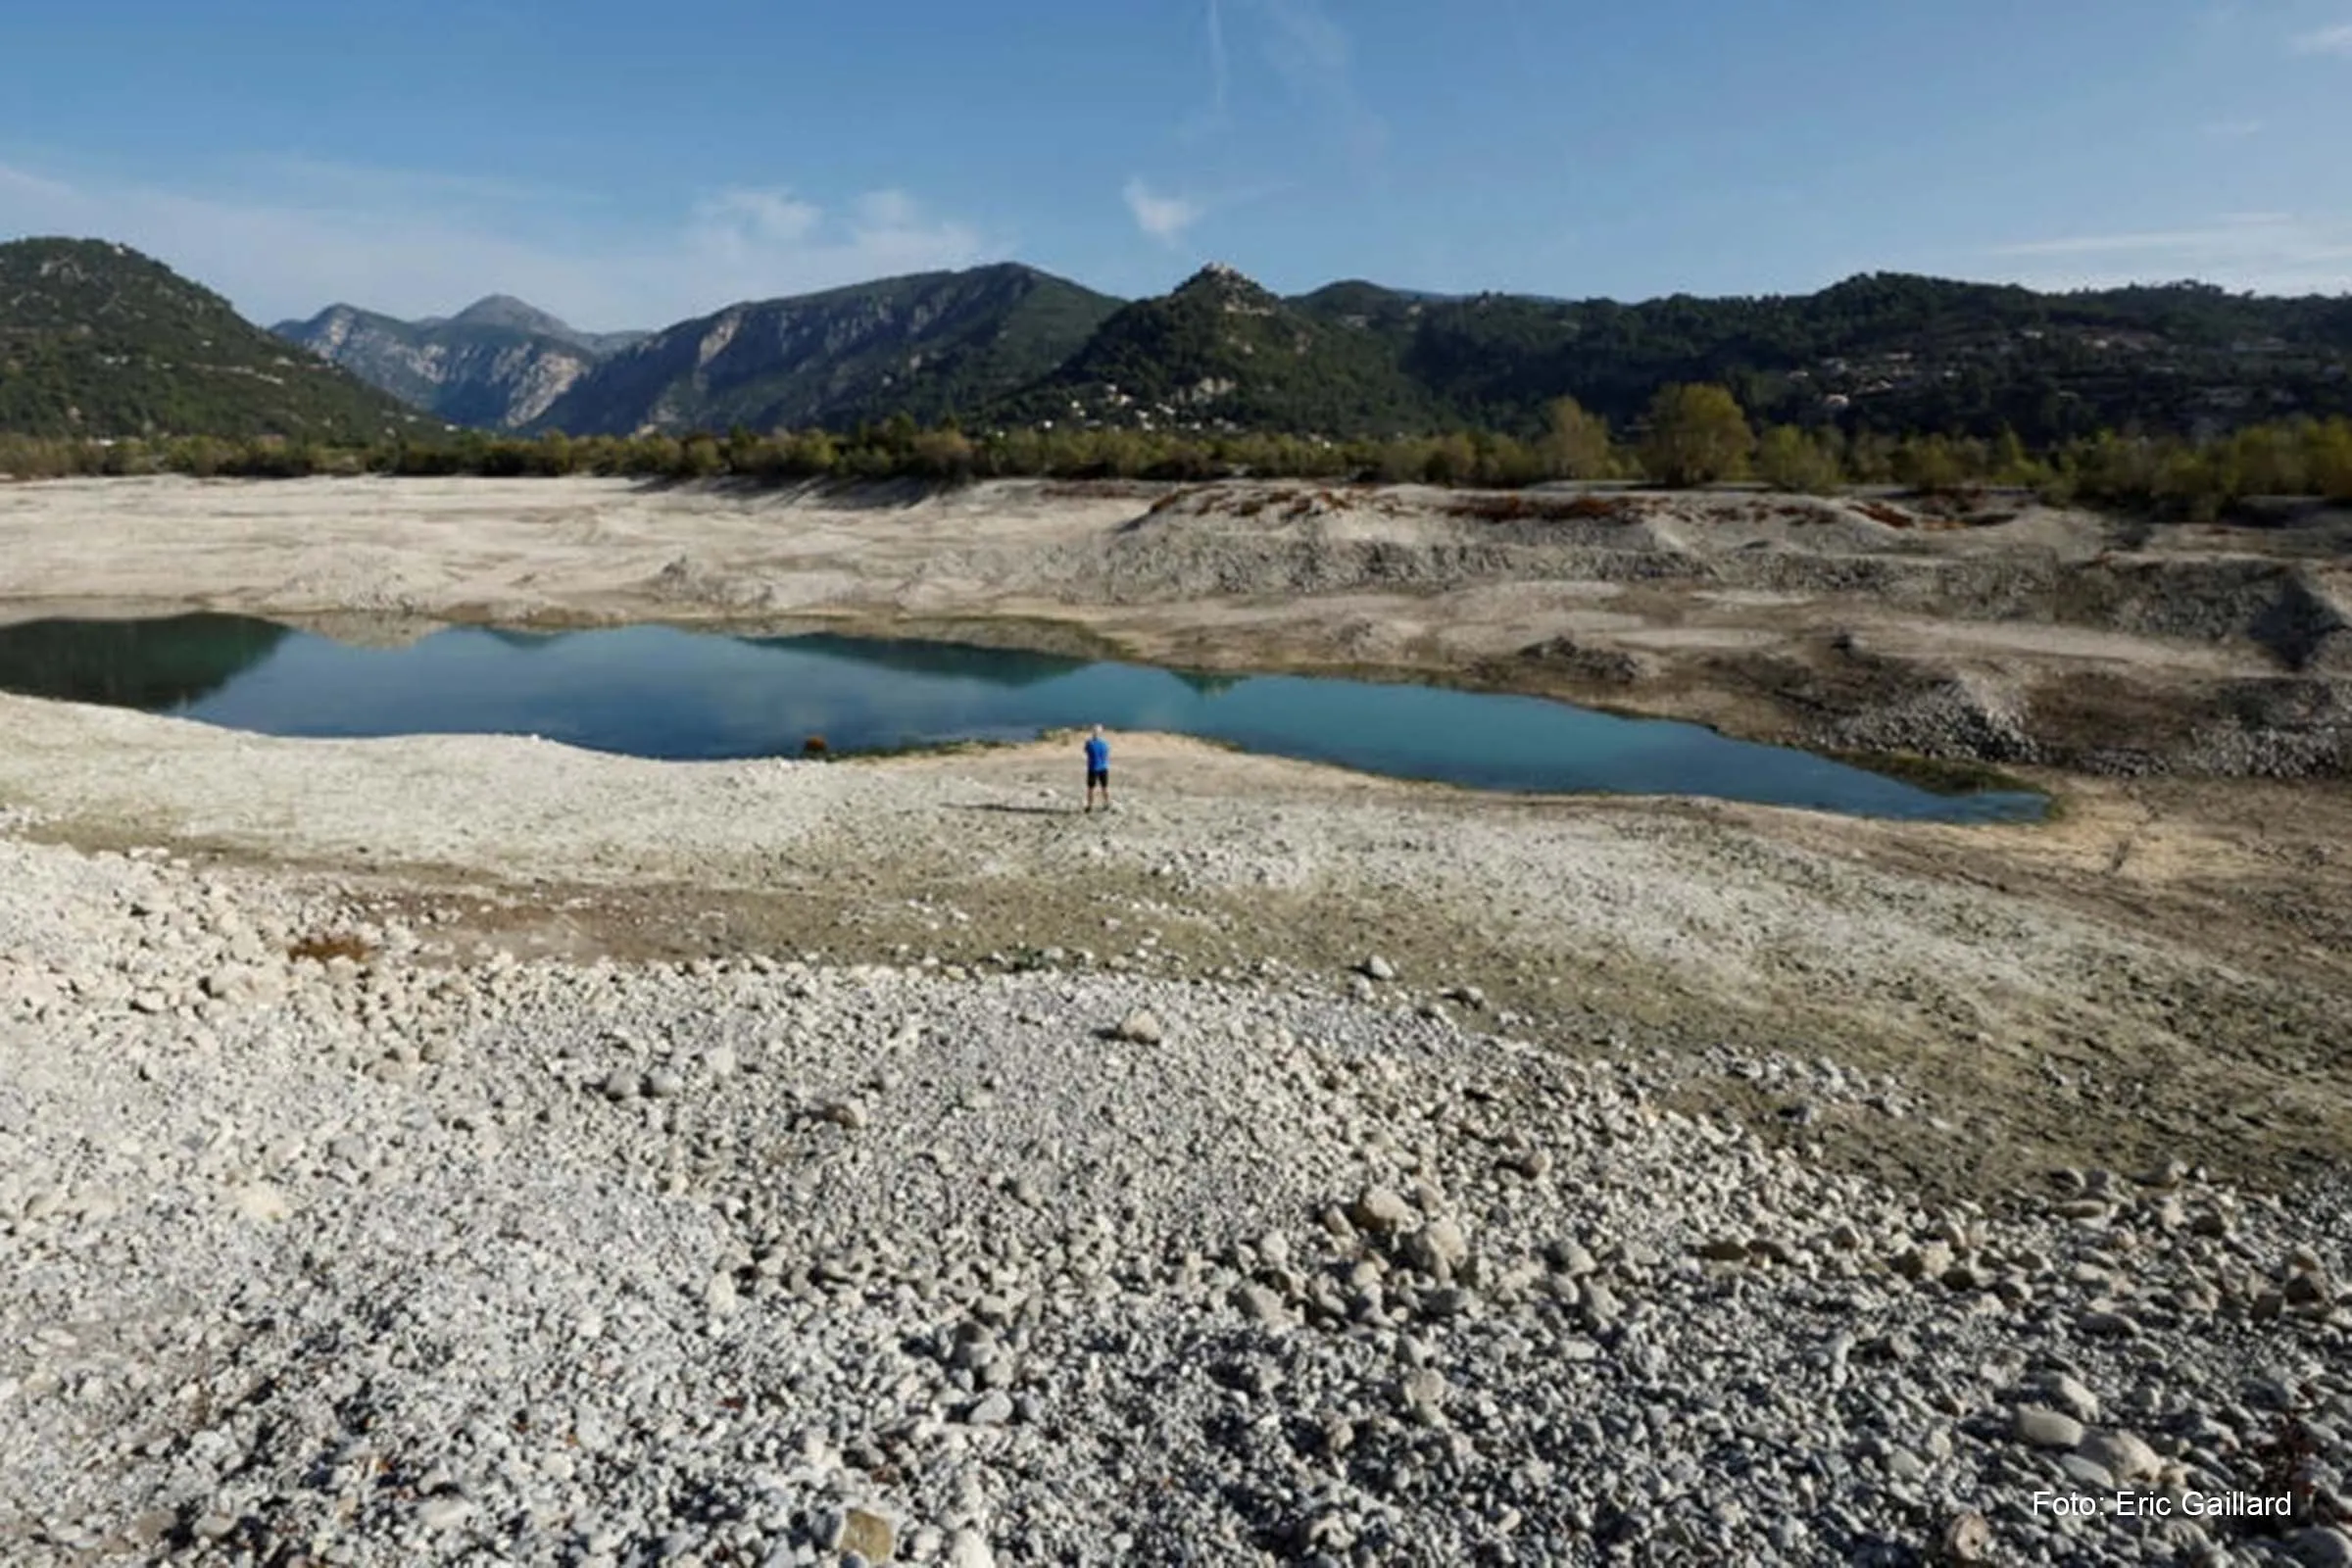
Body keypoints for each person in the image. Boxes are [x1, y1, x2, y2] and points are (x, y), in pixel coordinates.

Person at [1083, 724, 1111, 813]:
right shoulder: (1105, 743)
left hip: (1093, 768)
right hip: (1103, 767)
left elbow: (1086, 751)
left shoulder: (1089, 743)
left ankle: (1090, 806)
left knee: (1091, 788)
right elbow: (1106, 754)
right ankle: (1107, 803)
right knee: (1104, 787)